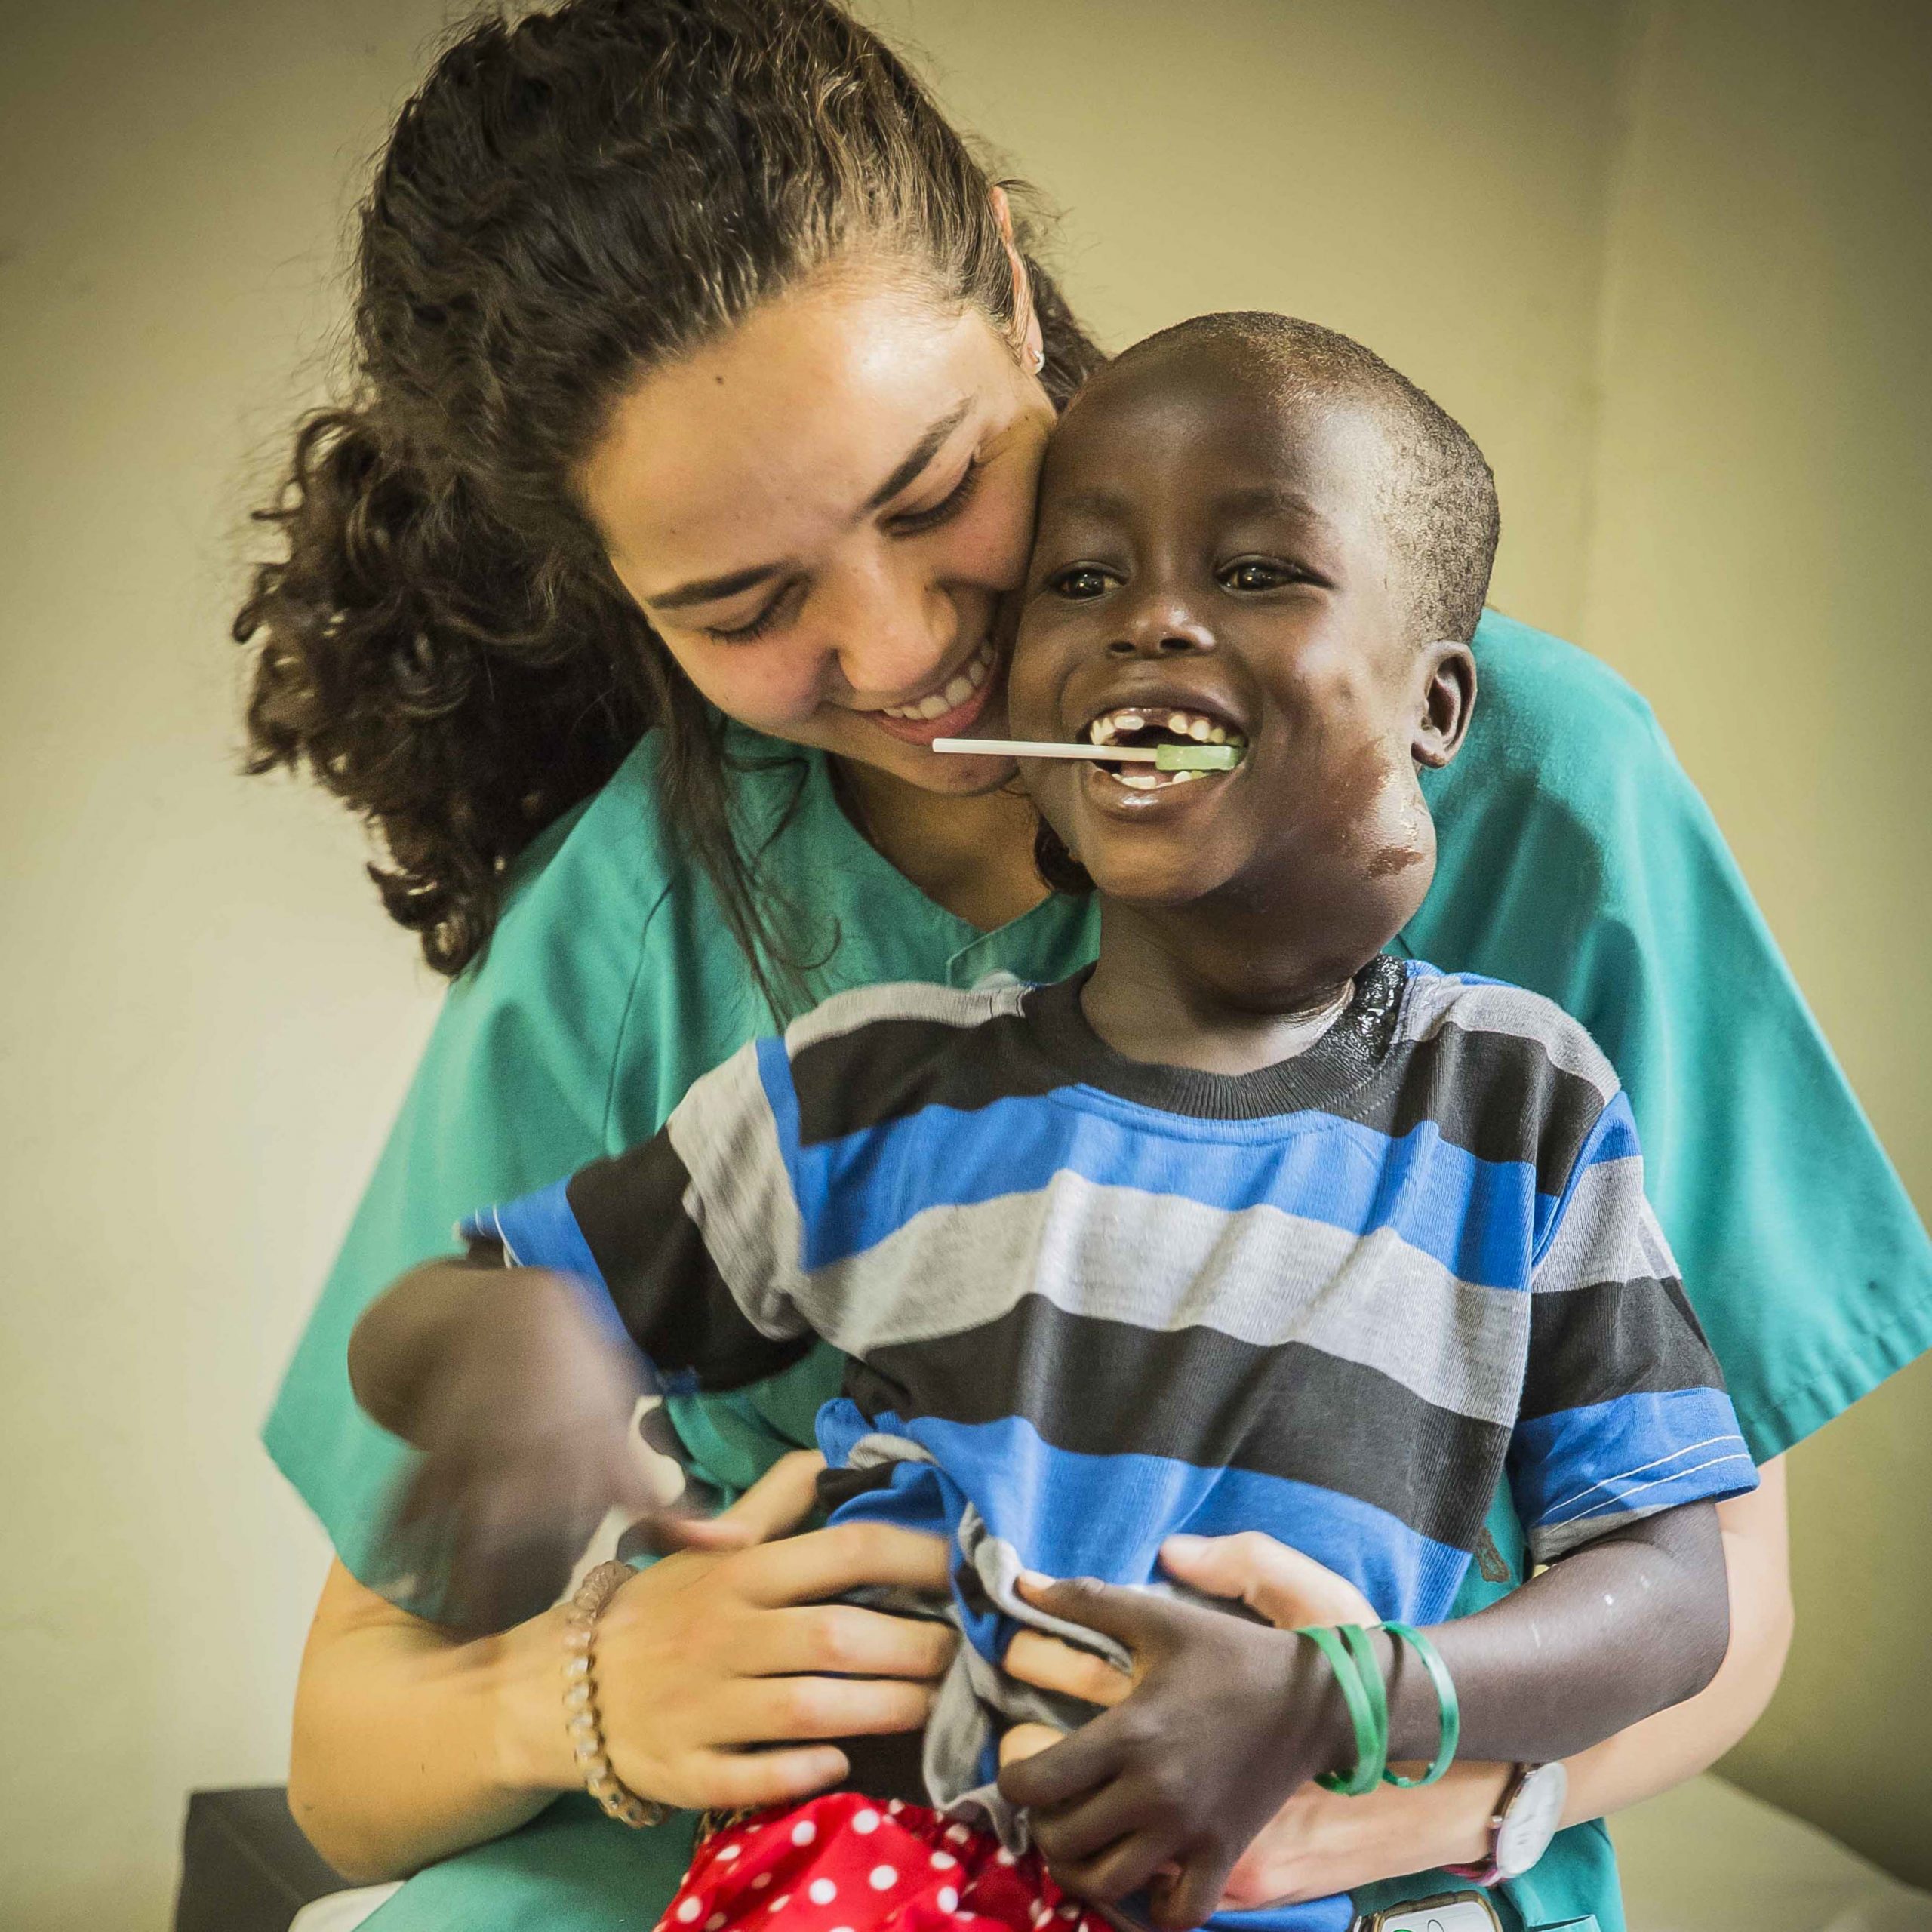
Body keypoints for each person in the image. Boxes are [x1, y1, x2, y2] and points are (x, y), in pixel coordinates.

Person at [233, 5, 1932, 1931]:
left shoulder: (1525, 805)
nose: (892, 655)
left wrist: (1354, 1782)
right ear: (621, 600)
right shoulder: (702, 969)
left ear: (1004, 274)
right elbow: (350, 1735)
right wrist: (600, 1682)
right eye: (745, 604)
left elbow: (1713, 1601)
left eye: (930, 485)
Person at [348, 312, 1757, 1932]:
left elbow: (1670, 1595)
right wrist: (522, 1349)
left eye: (1254, 574)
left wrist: (1351, 1699)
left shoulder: (1521, 1113)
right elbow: (437, 1318)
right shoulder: (859, 1092)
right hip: (878, 1882)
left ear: (1435, 705)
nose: (1152, 617)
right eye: (1081, 582)